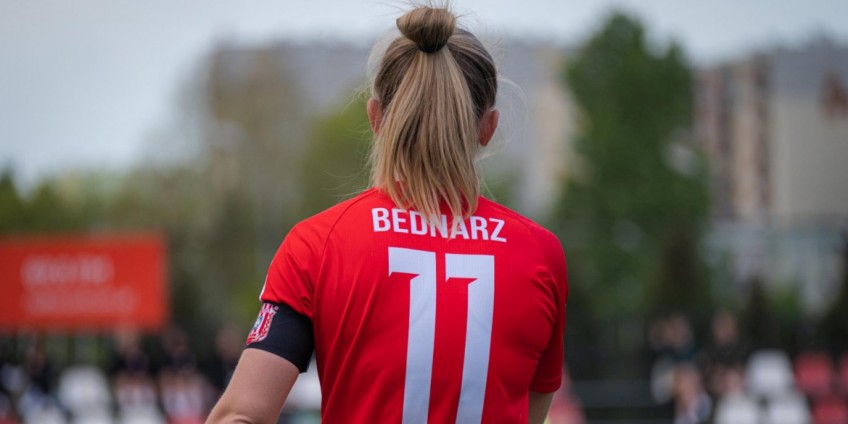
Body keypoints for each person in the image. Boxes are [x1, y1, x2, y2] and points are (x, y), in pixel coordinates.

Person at [207, 5, 568, 424]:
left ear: (376, 118)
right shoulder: (540, 254)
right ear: (488, 127)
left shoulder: (319, 245)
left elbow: (241, 415)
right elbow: (530, 409)